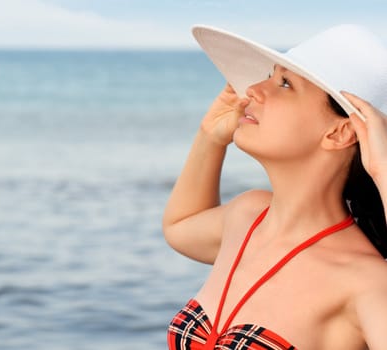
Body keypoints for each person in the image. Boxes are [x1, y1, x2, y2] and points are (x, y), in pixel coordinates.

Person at [163, 24, 387, 349]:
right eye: (270, 74)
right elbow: (178, 226)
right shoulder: (247, 215)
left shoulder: (365, 281)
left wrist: (383, 173)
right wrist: (210, 138)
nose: (252, 88)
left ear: (338, 133)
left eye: (284, 83)